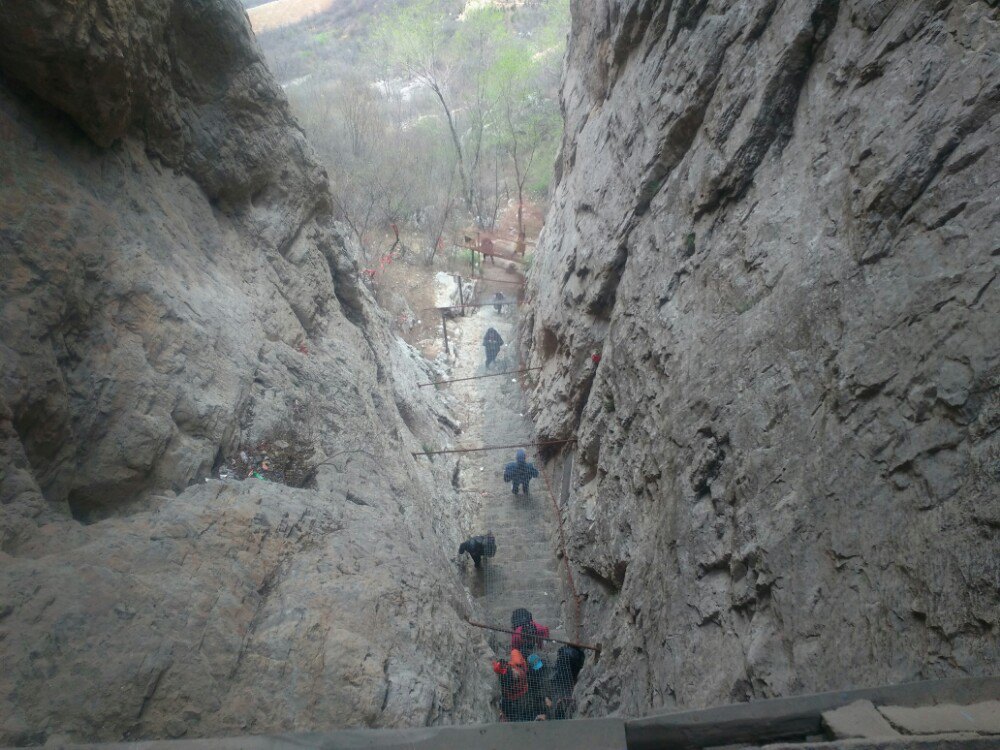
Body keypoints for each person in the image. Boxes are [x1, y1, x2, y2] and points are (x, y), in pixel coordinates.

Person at [494, 648, 530, 721]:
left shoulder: (507, 679)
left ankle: (509, 719)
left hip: (512, 697)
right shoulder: (521, 668)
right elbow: (515, 651)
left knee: (513, 711)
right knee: (518, 713)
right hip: (520, 695)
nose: (514, 673)